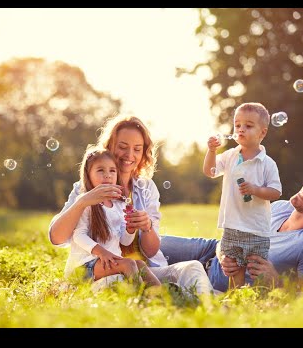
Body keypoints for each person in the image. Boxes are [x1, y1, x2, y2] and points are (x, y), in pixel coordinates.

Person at [49, 114, 214, 294]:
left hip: (144, 270)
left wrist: (146, 226)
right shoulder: (86, 189)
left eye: (137, 149)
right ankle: (164, 299)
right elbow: (57, 238)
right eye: (122, 147)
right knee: (125, 284)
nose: (129, 155)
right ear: (109, 146)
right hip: (106, 273)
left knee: (192, 268)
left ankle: (210, 306)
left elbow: (150, 251)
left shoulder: (146, 188)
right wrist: (82, 202)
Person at [160, 171, 303, 292]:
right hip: (209, 250)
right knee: (145, 242)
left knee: (147, 276)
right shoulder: (282, 207)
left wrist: (276, 282)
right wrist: (222, 253)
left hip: (218, 281)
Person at [204, 102, 282, 288]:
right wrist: (212, 151)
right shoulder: (230, 156)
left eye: (248, 126)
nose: (241, 129)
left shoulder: (266, 163)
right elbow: (210, 171)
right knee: (234, 267)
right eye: (237, 125)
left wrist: (256, 190)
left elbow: (276, 192)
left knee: (257, 268)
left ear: (262, 133)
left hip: (256, 227)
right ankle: (237, 297)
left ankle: (262, 298)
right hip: (232, 225)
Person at [69, 147, 161, 287]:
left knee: (140, 264)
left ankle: (161, 295)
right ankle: (140, 298)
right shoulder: (86, 201)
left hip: (109, 262)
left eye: (112, 170)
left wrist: (130, 229)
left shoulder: (119, 204)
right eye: (101, 170)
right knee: (129, 263)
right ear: (88, 175)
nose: (108, 175)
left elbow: (124, 241)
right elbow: (78, 235)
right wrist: (102, 252)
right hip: (84, 266)